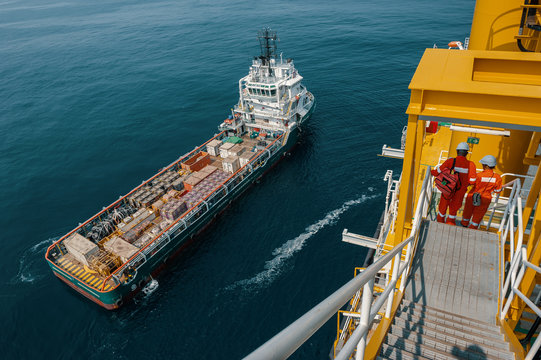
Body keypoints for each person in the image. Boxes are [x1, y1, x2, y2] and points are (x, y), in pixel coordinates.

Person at [431, 142, 476, 225]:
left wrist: (431, 171)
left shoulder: (451, 161)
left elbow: (437, 172)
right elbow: (472, 181)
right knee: (454, 207)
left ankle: (440, 220)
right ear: (466, 153)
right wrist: (465, 183)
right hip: (460, 190)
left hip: (448, 188)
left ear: (457, 151)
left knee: (443, 204)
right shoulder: (471, 164)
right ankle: (450, 222)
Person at [461, 155, 502, 229]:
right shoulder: (498, 177)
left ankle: (464, 224)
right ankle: (473, 228)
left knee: (467, 211)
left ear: (485, 166)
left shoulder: (478, 175)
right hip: (485, 199)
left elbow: (470, 183)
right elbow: (497, 191)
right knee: (478, 215)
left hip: (472, 196)